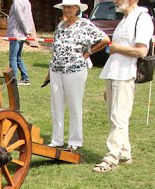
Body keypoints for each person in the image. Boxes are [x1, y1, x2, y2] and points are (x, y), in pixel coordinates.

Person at [93, 0, 153, 172]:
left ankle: (111, 157)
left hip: (127, 73)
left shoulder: (142, 18)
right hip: (114, 72)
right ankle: (124, 152)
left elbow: (142, 50)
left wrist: (116, 48)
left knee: (118, 116)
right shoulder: (125, 18)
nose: (115, 1)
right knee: (116, 115)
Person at [46, 0, 109, 152]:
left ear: (77, 9)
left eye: (69, 7)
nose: (66, 10)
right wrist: (49, 72)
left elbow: (105, 40)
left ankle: (75, 140)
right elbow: (56, 49)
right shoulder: (60, 26)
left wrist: (88, 53)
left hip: (75, 70)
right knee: (56, 105)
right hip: (56, 70)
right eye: (64, 7)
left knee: (74, 105)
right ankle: (57, 139)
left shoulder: (85, 24)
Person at [7, 0, 38, 86]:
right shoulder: (27, 2)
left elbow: (21, 18)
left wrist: (26, 31)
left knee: (13, 58)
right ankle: (25, 78)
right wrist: (28, 31)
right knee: (18, 57)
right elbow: (29, 17)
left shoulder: (17, 2)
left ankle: (13, 80)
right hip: (22, 34)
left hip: (16, 33)